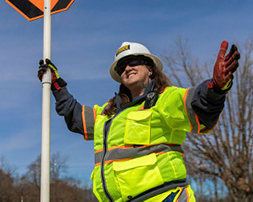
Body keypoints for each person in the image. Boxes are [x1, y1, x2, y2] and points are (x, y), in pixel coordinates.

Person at [38, 41, 240, 202]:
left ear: (150, 69)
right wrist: (56, 86)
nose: (127, 68)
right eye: (121, 66)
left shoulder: (164, 99)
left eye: (133, 61)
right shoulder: (108, 114)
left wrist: (216, 88)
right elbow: (76, 117)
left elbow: (199, 105)